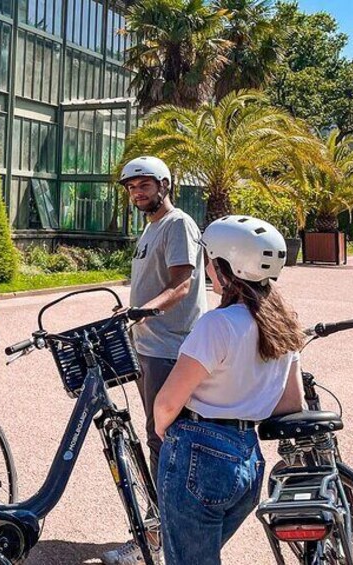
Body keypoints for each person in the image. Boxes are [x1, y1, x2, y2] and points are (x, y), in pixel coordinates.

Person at [153, 215, 305, 565]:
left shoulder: (216, 324)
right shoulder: (283, 327)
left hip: (198, 451)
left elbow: (168, 401)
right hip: (248, 459)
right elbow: (290, 401)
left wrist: (165, 429)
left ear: (224, 267)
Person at [102, 156, 208, 565]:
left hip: (170, 347)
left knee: (166, 440)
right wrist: (132, 313)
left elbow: (183, 283)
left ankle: (162, 535)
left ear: (165, 184)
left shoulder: (178, 223)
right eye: (131, 187)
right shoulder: (151, 228)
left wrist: (142, 310)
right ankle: (162, 527)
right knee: (156, 438)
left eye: (144, 185)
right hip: (149, 346)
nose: (137, 193)